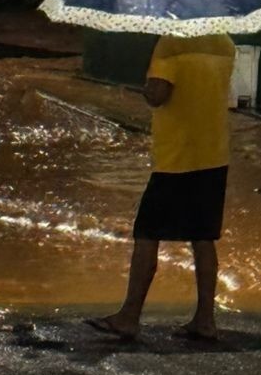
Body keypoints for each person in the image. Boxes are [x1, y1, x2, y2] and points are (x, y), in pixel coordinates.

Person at [88, 31, 236, 343]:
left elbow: (158, 93)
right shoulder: (224, 42)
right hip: (213, 153)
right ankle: (205, 319)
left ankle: (129, 316)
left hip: (176, 157)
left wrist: (146, 83)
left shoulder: (171, 43)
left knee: (146, 234)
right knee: (203, 237)